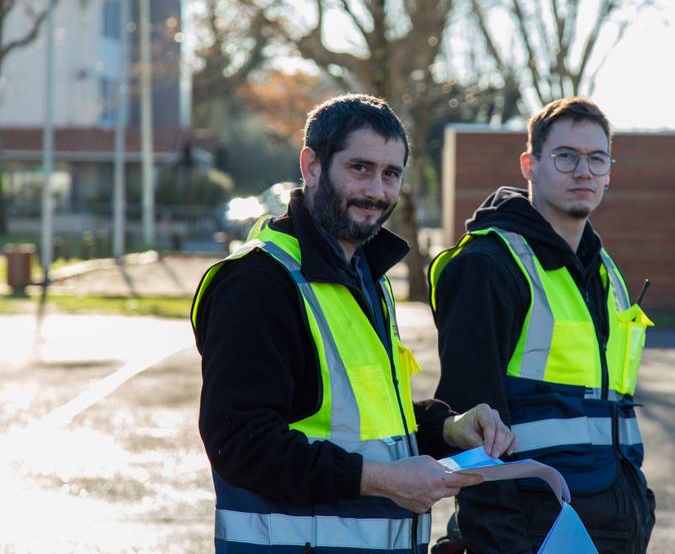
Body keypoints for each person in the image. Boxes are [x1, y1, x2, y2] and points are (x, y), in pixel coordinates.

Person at [192, 94, 516, 553]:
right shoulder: (258, 283)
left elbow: (362, 427)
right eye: (359, 168)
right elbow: (240, 443)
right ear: (311, 166)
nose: (377, 191)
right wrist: (383, 481)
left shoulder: (366, 276)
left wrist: (447, 427)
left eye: (391, 174)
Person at [429, 97, 656, 553]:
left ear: (610, 171)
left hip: (614, 525)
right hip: (532, 531)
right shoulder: (489, 266)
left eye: (597, 158)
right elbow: (473, 430)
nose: (583, 171)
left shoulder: (603, 268)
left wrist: (639, 504)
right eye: (565, 156)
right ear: (529, 165)